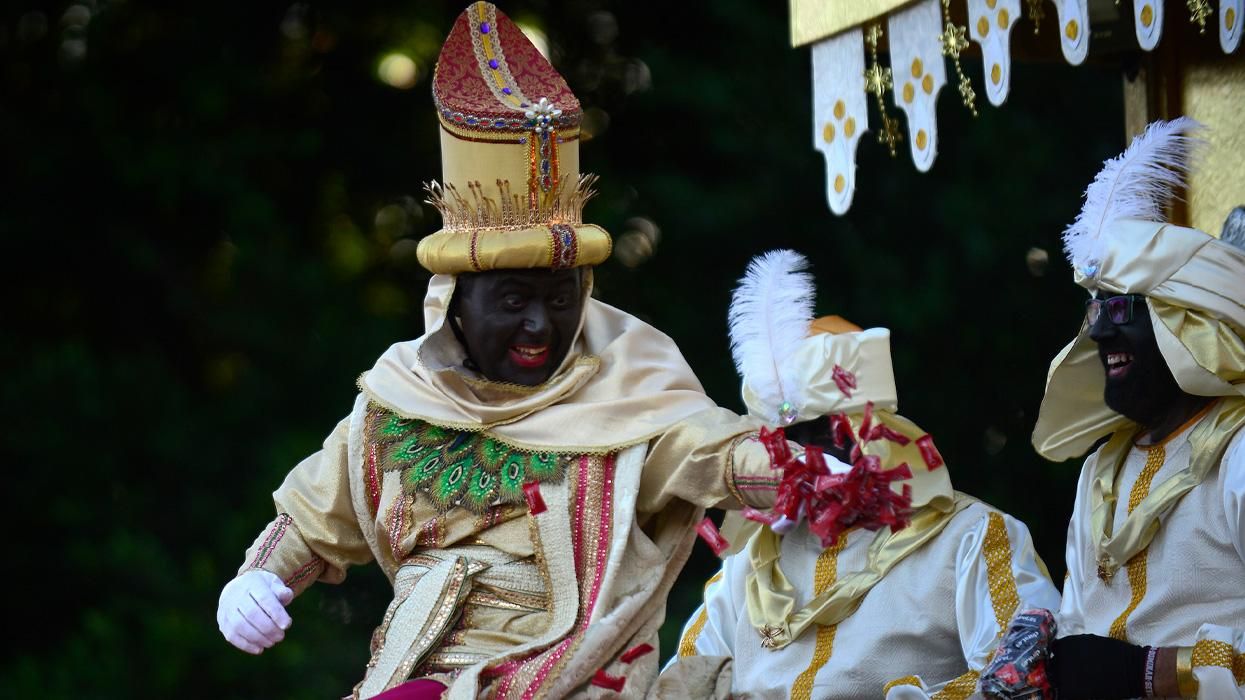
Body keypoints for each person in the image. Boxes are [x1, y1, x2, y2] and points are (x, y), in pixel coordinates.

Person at [214, 4, 791, 698]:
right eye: (513, 301)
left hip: (571, 680)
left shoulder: (630, 388)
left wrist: (812, 463)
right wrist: (258, 579)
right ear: (456, 302)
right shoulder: (399, 399)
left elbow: (716, 455)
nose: (541, 327)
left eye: (559, 297)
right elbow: (312, 519)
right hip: (412, 678)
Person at [658, 250, 1059, 699]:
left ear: (878, 432)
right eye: (786, 442)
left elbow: (1024, 681)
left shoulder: (970, 539)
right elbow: (684, 684)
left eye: (825, 433)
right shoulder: (746, 568)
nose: (803, 460)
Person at [1017, 117, 1245, 699]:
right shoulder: (1101, 469)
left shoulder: (1239, 452)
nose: (1098, 338)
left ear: (1188, 329)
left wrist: (1151, 674)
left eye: (1122, 313)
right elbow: (1076, 627)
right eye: (1094, 316)